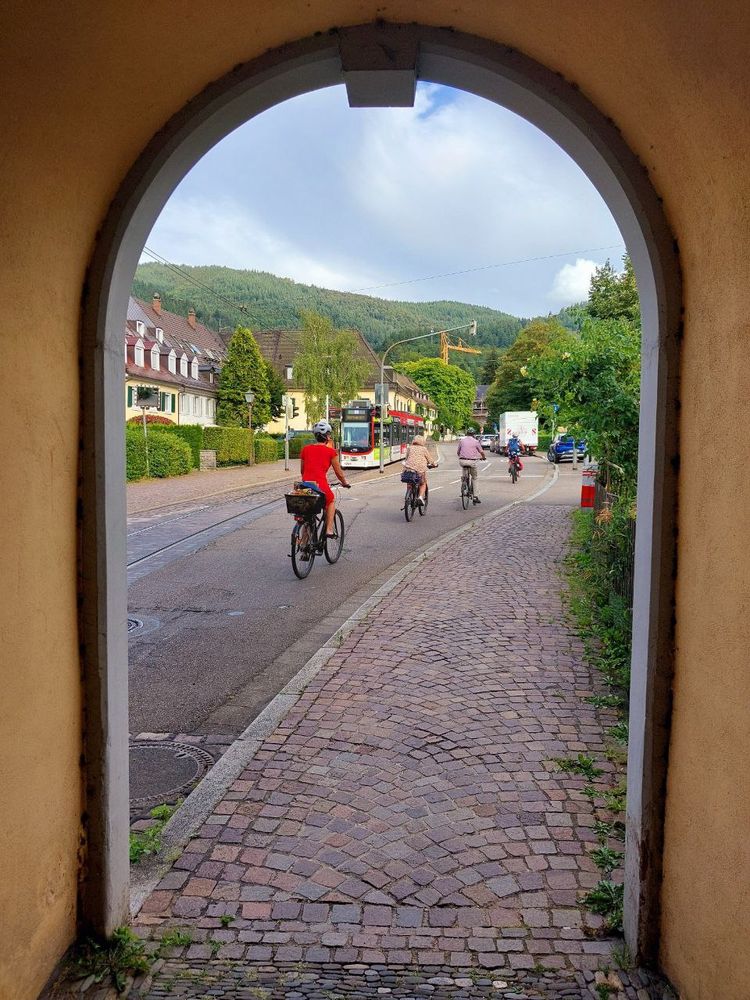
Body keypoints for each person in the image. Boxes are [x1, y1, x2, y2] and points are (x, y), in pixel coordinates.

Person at [299, 420, 350, 537]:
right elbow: (339, 473)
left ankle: (303, 544)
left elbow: (302, 470)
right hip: (320, 486)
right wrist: (345, 483)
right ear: (327, 436)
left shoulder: (305, 449)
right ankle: (329, 529)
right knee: (331, 500)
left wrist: (306, 480)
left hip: (305, 485)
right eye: (329, 434)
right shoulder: (331, 452)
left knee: (308, 513)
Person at [402, 433, 435, 506]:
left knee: (409, 482)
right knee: (423, 483)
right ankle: (420, 497)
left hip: (409, 469)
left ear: (414, 440)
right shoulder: (424, 449)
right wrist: (434, 464)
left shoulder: (410, 448)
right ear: (423, 441)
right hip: (420, 470)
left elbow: (406, 458)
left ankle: (408, 496)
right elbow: (430, 460)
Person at [457, 429, 486, 503]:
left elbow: (458, 452)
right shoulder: (476, 442)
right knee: (474, 478)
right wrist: (483, 457)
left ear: (467, 433)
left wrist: (461, 455)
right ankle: (475, 496)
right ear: (473, 434)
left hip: (462, 461)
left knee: (464, 472)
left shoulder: (461, 441)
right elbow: (481, 452)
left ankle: (464, 483)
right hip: (472, 462)